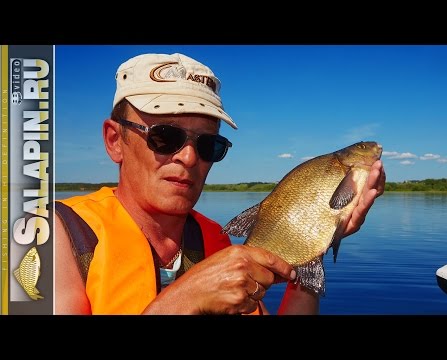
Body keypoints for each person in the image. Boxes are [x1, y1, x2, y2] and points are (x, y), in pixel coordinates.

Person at [55, 52, 386, 315]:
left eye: (207, 145)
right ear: (115, 140)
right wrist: (180, 302)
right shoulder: (53, 236)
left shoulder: (219, 243)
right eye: (165, 136)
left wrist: (317, 239)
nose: (188, 157)